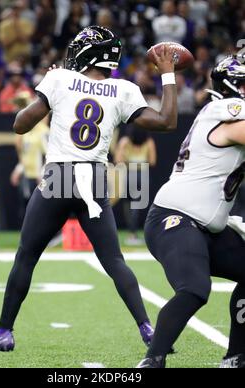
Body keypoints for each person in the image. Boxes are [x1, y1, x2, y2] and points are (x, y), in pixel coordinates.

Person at [0, 26, 177, 353]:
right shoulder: (123, 89)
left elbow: (20, 124)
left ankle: (4, 332)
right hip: (95, 179)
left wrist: (48, 93)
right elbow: (167, 121)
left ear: (86, 53)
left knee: (26, 256)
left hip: (60, 175)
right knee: (114, 260)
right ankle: (148, 330)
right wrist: (167, 75)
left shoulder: (59, 79)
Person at [137, 56, 245, 368]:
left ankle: (236, 356)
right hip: (175, 216)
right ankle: (152, 361)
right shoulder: (222, 110)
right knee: (195, 289)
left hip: (205, 225)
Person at [115, 125, 157, 245]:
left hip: (128, 173)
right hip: (142, 174)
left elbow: (118, 160)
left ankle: (131, 233)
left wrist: (128, 160)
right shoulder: (149, 142)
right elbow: (153, 161)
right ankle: (133, 234)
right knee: (136, 204)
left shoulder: (125, 142)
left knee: (128, 204)